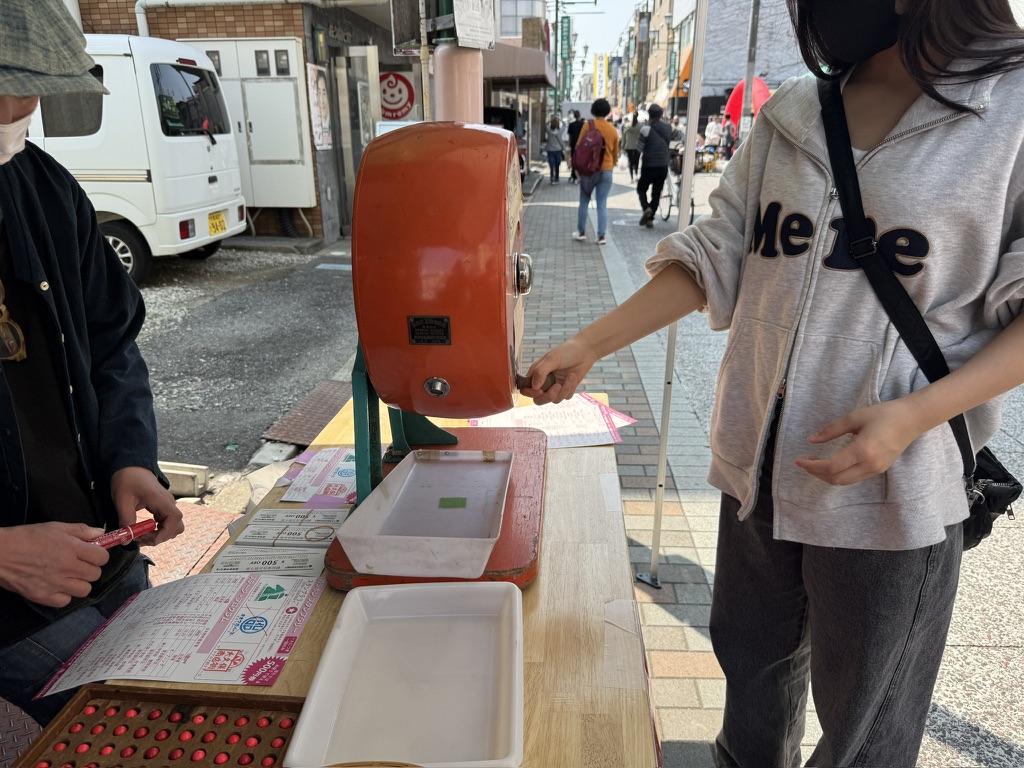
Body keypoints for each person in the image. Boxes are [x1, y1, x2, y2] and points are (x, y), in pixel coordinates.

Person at [523, 1, 1024, 765]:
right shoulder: (794, 109)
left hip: (891, 493)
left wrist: (916, 415)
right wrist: (588, 343)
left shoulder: (1011, 110)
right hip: (756, 474)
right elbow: (716, 253)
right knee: (751, 696)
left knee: (865, 730)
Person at [0, 0, 185, 725]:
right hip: (16, 605)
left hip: (100, 553)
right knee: (136, 728)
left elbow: (111, 341)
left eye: (33, 83)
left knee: (187, 703)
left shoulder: (41, 186)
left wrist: (128, 458)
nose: (24, 106)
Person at [570, 98, 619, 246]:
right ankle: (601, 236)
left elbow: (579, 147)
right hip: (607, 171)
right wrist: (610, 165)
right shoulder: (612, 129)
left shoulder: (588, 125)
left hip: (589, 171)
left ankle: (581, 232)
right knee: (602, 204)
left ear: (593, 110)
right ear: (607, 112)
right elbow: (616, 153)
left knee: (584, 201)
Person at [636, 104, 681, 228]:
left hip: (648, 165)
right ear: (661, 115)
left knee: (641, 189)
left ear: (649, 115)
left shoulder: (645, 129)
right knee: (656, 192)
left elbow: (639, 148)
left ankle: (646, 208)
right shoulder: (669, 128)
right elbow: (680, 136)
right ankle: (650, 217)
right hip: (662, 164)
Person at [542, 117, 565, 185]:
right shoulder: (560, 131)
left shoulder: (549, 131)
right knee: (557, 165)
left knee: (552, 165)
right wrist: (560, 119)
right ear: (558, 124)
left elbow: (545, 125)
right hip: (558, 150)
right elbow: (565, 125)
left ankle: (552, 178)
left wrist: (550, 120)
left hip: (550, 150)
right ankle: (557, 178)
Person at [621, 111, 643, 182]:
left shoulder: (627, 125)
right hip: (638, 146)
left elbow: (623, 137)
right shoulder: (641, 126)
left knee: (630, 162)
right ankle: (636, 175)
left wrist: (622, 146)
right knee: (636, 161)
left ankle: (631, 178)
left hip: (629, 146)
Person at [566, 110, 585, 184]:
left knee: (573, 160)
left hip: (574, 144)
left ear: (574, 116)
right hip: (582, 145)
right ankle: (580, 175)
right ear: (580, 116)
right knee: (581, 160)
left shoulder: (571, 125)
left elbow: (570, 136)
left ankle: (573, 175)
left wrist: (569, 144)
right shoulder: (583, 124)